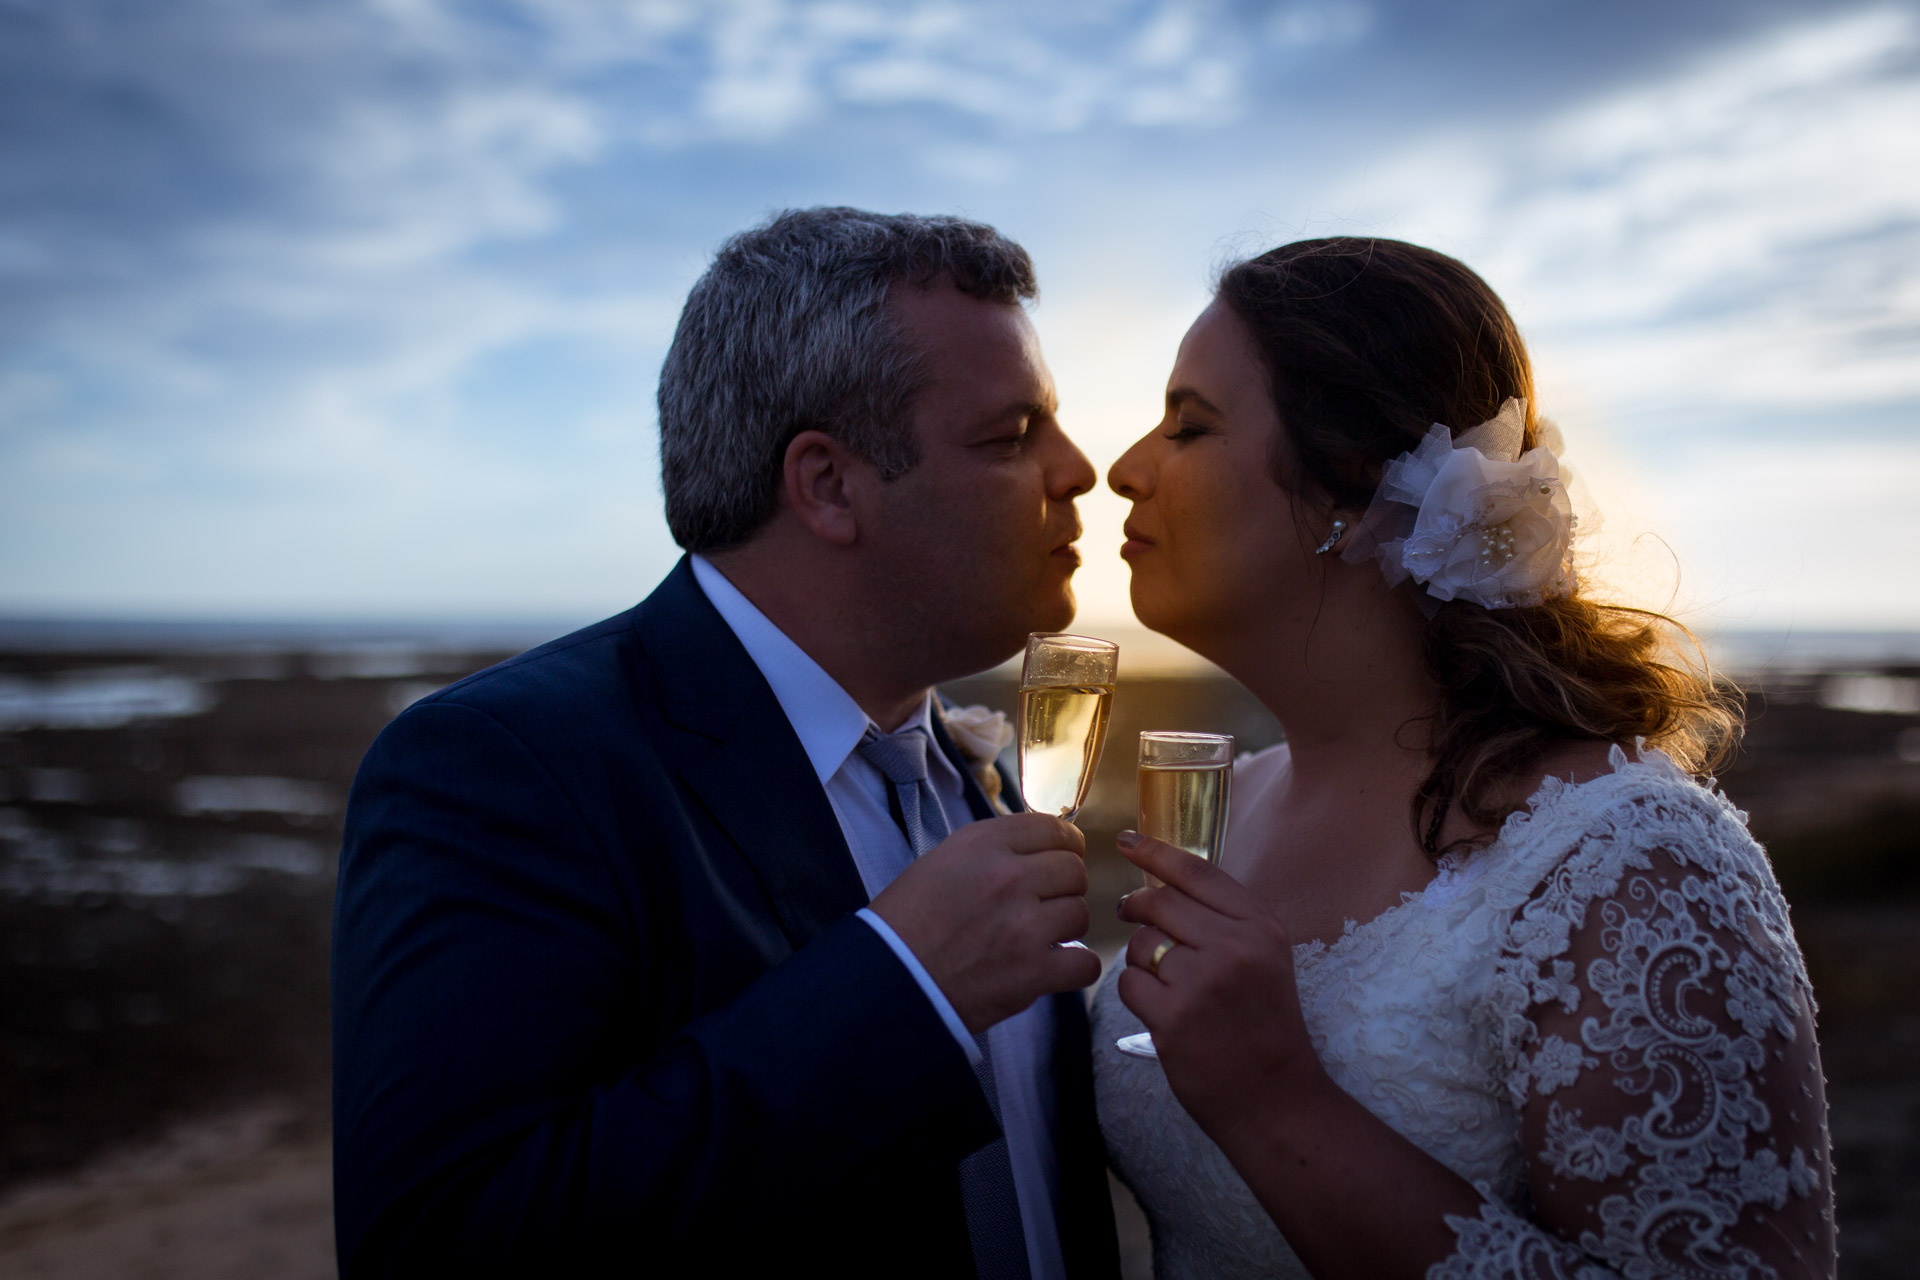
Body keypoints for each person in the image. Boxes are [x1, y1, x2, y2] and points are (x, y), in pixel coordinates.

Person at [330, 208, 1120, 1278]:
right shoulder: (505, 763)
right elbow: (444, 1241)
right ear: (829, 483)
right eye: (1011, 436)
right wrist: (900, 988)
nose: (1080, 469)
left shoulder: (975, 776)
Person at [1092, 237, 1837, 1279]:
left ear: (1356, 488)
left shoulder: (1630, 865)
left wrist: (1276, 1100)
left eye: (1190, 425)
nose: (1125, 467)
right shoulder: (1232, 799)